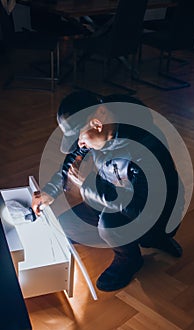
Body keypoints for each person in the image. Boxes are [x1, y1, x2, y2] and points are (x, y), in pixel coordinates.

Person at [32, 90, 184, 292]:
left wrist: (90, 187)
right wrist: (50, 191)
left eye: (79, 136)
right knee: (67, 224)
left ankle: (131, 258)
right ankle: (155, 240)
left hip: (157, 213)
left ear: (96, 123)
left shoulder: (146, 150)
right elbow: (74, 160)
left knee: (109, 224)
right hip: (116, 193)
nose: (79, 144)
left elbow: (142, 209)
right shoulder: (101, 122)